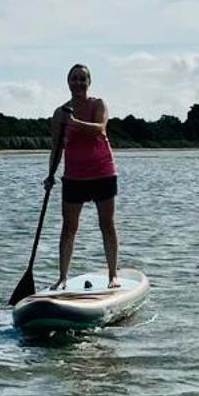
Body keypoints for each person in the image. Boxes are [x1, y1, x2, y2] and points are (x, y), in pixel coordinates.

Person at [49, 63, 120, 289]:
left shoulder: (98, 104)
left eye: (82, 79)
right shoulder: (60, 113)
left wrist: (74, 123)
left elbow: (100, 128)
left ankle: (112, 276)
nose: (78, 83)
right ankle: (62, 278)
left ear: (89, 83)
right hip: (74, 176)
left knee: (106, 224)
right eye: (74, 78)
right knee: (69, 227)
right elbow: (57, 147)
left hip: (102, 172)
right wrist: (50, 175)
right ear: (68, 82)